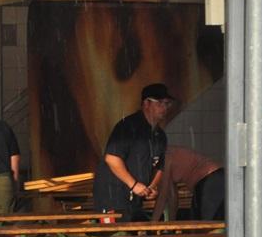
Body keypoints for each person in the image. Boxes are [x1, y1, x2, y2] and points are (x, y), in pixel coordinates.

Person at [93, 83, 173, 221]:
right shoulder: (127, 127)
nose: (164, 108)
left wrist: (152, 186)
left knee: (133, 232)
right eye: (160, 103)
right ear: (146, 103)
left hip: (135, 199)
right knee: (116, 233)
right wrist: (133, 184)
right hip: (113, 196)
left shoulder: (160, 135)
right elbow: (112, 158)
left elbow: (160, 166)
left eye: (167, 104)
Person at [150, 146, 224, 221]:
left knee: (204, 223)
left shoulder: (164, 158)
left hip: (211, 179)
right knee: (197, 221)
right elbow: (172, 198)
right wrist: (171, 223)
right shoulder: (165, 161)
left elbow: (162, 197)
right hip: (213, 179)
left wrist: (152, 223)